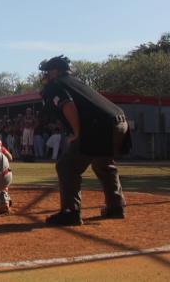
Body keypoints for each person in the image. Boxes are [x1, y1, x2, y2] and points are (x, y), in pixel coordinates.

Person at [39, 55, 131, 226]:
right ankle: (116, 207)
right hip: (120, 122)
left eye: (48, 71)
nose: (45, 75)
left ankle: (70, 212)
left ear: (56, 71)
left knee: (67, 166)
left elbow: (68, 105)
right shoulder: (76, 83)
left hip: (99, 127)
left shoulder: (56, 85)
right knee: (103, 163)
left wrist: (77, 133)